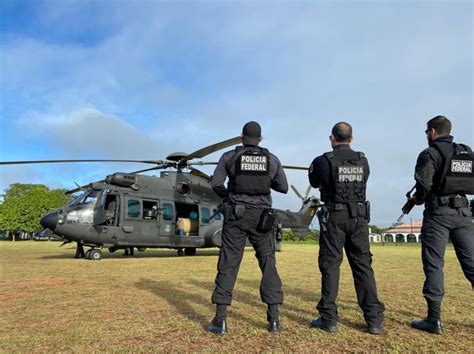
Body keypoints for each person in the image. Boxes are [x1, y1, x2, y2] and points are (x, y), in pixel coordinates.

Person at [208, 121, 289, 334]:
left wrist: (231, 196)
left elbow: (216, 184)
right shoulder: (271, 160)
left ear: (241, 136)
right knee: (268, 263)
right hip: (262, 218)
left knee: (229, 263)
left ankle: (221, 320)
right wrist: (263, 183)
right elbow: (283, 187)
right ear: (261, 138)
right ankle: (274, 321)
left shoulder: (230, 157)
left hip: (236, 215)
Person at [308, 122, 385, 335]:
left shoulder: (323, 161)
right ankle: (374, 320)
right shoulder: (363, 160)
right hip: (359, 217)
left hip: (335, 216)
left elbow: (314, 182)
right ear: (351, 138)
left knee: (330, 265)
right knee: (363, 266)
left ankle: (329, 319)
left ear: (332, 138)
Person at [408, 115, 473, 334]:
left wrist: (417, 199)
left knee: (434, 264)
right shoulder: (464, 151)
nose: (427, 135)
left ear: (433, 132)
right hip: (464, 212)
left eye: (427, 131)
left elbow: (424, 186)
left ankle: (433, 320)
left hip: (439, 213)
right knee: (472, 265)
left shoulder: (429, 153)